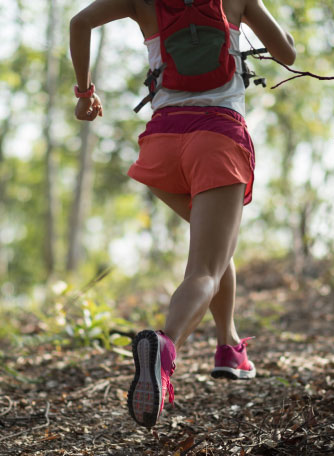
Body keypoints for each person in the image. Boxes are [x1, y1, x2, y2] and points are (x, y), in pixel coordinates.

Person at [68, 0, 295, 427]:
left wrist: (85, 94)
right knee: (204, 270)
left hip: (163, 146)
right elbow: (287, 54)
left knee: (216, 250)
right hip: (217, 140)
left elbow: (80, 22)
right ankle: (165, 345)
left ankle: (229, 346)